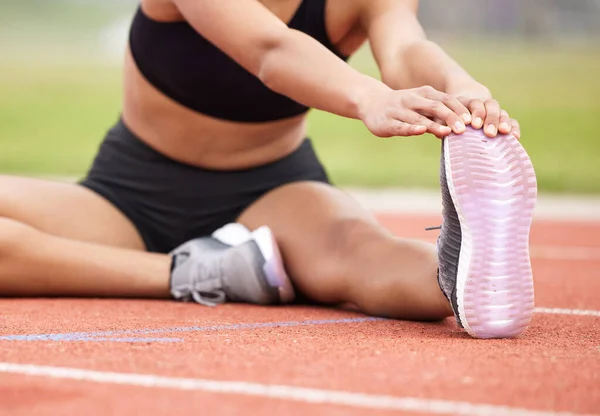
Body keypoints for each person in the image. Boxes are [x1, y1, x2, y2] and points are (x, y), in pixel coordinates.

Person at [0, 0, 537, 339]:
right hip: (125, 195)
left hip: (274, 193)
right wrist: (368, 98)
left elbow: (406, 49)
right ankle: (204, 273)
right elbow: (268, 50)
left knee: (359, 249)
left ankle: (464, 268)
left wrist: (463, 88)